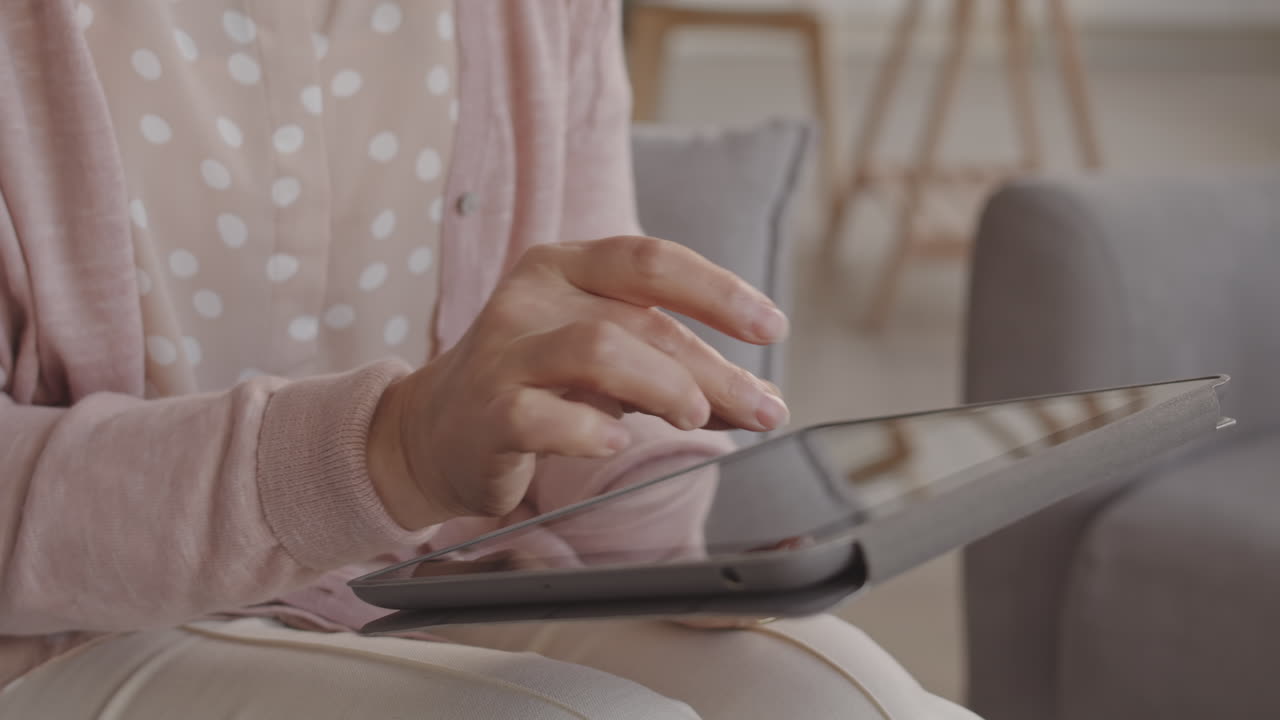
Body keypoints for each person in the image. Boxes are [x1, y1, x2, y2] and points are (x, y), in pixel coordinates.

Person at [0, 1, 980, 718]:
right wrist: (387, 454)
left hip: (436, 582)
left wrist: (655, 495)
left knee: (836, 698)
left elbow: (566, 386)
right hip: (69, 631)